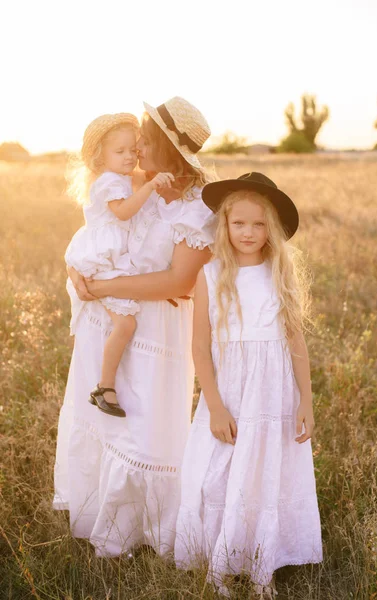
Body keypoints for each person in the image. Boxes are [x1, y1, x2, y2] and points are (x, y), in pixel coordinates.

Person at [53, 97, 217, 558]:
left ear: (168, 147)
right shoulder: (134, 180)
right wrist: (78, 273)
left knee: (143, 426)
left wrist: (105, 287)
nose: (138, 144)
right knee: (105, 420)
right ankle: (96, 515)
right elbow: (99, 231)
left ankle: (141, 528)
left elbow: (179, 281)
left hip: (156, 329)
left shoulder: (199, 207)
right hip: (107, 320)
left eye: (146, 137)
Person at [175, 172, 323, 597]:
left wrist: (306, 401)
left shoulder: (280, 273)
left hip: (274, 394)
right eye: (239, 223)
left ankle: (264, 562)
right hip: (231, 392)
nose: (248, 232)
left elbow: (296, 341)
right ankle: (221, 564)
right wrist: (216, 406)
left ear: (270, 229)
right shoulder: (210, 274)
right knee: (220, 472)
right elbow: (200, 348)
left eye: (258, 224)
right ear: (224, 224)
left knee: (266, 473)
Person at [65, 112, 175, 417]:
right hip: (102, 260)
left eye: (133, 149)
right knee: (126, 323)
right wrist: (151, 186)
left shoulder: (122, 177)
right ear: (101, 158)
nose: (130, 157)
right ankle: (104, 386)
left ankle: (106, 384)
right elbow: (124, 212)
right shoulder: (108, 183)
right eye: (120, 151)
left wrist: (151, 180)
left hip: (110, 257)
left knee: (124, 323)